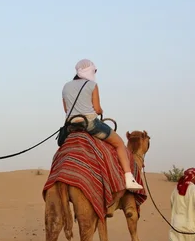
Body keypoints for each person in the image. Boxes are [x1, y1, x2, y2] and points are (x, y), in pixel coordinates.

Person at [61, 59, 143, 190]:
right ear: (91, 71)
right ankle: (129, 178)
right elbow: (97, 109)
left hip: (70, 126)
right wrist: (100, 111)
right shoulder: (92, 85)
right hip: (90, 124)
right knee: (120, 143)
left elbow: (66, 110)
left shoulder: (66, 86)